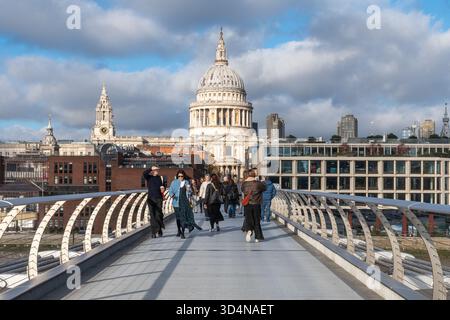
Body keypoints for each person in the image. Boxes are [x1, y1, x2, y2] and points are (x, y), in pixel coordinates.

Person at [169, 170, 203, 239]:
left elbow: (189, 192)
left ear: (184, 176)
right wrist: (172, 196)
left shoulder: (186, 182)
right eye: (179, 176)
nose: (180, 177)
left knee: (183, 218)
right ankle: (179, 230)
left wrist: (188, 190)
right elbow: (170, 191)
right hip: (176, 203)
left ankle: (182, 232)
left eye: (182, 176)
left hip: (184, 203)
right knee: (178, 218)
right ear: (177, 176)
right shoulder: (174, 182)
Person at [241, 169, 266, 242]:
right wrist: (262, 181)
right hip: (256, 204)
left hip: (247, 204)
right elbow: (265, 188)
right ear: (254, 175)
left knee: (249, 219)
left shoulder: (244, 183)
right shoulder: (258, 183)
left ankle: (249, 230)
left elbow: (242, 190)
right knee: (256, 220)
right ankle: (257, 237)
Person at [142, 166, 165, 238]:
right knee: (152, 216)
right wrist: (151, 168)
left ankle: (159, 230)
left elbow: (162, 186)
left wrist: (163, 188)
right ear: (152, 171)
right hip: (151, 198)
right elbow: (144, 173)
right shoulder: (149, 177)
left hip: (159, 198)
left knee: (158, 215)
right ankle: (154, 232)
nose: (157, 171)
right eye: (155, 170)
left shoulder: (159, 178)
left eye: (157, 170)